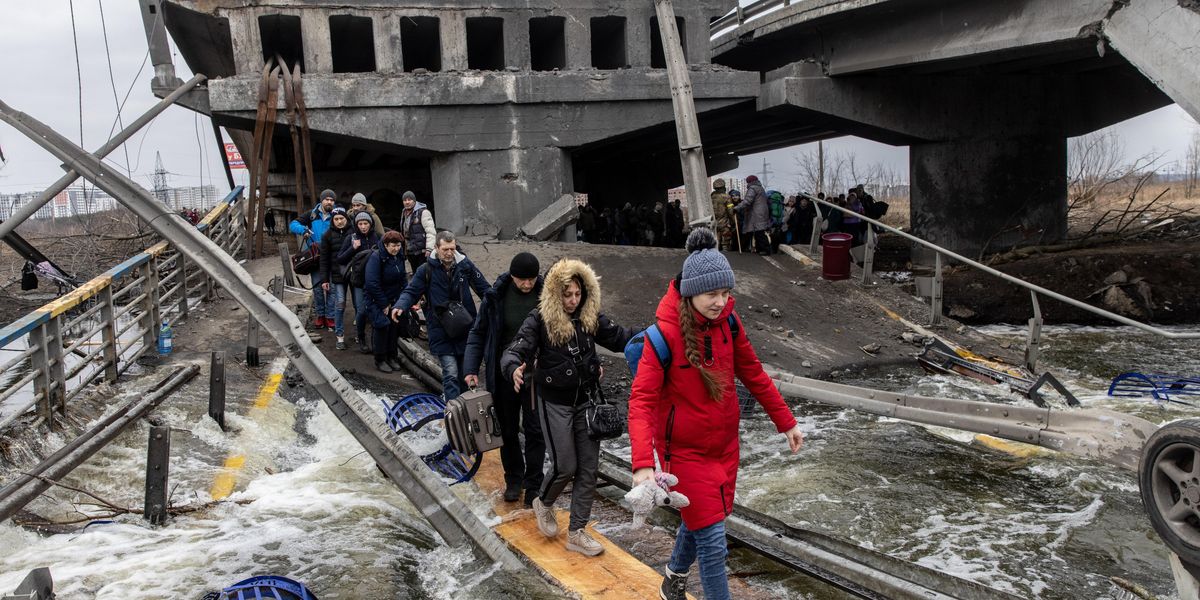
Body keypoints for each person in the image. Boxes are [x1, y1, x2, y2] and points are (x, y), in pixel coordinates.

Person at [627, 228, 804, 600]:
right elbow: (641, 401)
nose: (721, 302)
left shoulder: (730, 324)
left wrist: (785, 421)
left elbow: (753, 373)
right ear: (690, 291)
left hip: (724, 447)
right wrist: (643, 463)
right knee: (713, 541)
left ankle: (674, 574)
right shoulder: (662, 337)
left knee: (707, 519)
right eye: (712, 294)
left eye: (726, 293)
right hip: (684, 456)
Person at [500, 258, 635, 557]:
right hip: (554, 404)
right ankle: (543, 502)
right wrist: (513, 368)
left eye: (577, 294)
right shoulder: (539, 319)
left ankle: (577, 532)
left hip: (586, 403)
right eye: (567, 295)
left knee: (588, 469)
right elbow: (516, 349)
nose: (573, 301)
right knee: (565, 466)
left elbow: (621, 338)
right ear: (554, 294)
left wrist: (657, 336)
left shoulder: (590, 317)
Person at [463, 252, 546, 505]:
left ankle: (534, 484)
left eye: (531, 280)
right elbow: (478, 334)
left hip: (535, 374)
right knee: (507, 429)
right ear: (512, 277)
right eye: (522, 280)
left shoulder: (546, 296)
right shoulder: (495, 298)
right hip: (502, 373)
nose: (527, 285)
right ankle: (513, 479)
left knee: (535, 430)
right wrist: (470, 369)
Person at [391, 231, 490, 399]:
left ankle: (466, 408)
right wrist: (401, 305)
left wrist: (498, 305)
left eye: (452, 249)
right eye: (445, 249)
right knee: (450, 374)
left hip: (465, 327)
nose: (449, 253)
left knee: (465, 374)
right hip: (440, 328)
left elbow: (484, 289)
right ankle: (452, 412)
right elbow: (412, 291)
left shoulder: (465, 266)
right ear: (437, 248)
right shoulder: (426, 270)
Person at [290, 188, 337, 329]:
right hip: (316, 258)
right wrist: (303, 230)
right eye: (327, 199)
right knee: (317, 288)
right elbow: (293, 224)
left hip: (332, 257)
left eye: (331, 200)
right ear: (321, 200)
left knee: (332, 289)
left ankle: (330, 316)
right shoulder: (311, 215)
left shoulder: (337, 215)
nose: (329, 202)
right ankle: (320, 316)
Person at [364, 230, 408, 372]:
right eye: (393, 246)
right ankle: (380, 359)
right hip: (376, 299)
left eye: (398, 245)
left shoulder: (399, 256)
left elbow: (403, 278)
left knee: (394, 328)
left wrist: (405, 297)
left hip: (394, 298)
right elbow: (372, 283)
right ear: (385, 245)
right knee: (382, 327)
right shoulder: (376, 258)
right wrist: (384, 303)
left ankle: (392, 356)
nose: (396, 249)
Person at [338, 211, 382, 353]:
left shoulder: (378, 237)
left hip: (376, 280)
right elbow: (340, 259)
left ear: (371, 224)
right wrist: (353, 248)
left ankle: (377, 341)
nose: (363, 226)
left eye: (366, 223)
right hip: (359, 281)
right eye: (360, 224)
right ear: (356, 225)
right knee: (361, 310)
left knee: (376, 310)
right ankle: (361, 338)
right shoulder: (352, 238)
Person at [319, 207, 353, 348]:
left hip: (354, 274)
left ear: (346, 219)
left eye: (342, 219)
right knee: (340, 303)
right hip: (337, 275)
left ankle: (360, 336)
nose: (339, 221)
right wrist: (325, 279)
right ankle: (339, 336)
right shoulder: (327, 236)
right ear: (333, 221)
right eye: (336, 219)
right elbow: (324, 259)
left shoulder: (354, 232)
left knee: (360, 306)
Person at [399, 190, 437, 274]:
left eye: (409, 200)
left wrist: (429, 248)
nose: (407, 202)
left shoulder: (423, 212)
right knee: (416, 274)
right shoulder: (404, 213)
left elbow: (431, 232)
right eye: (405, 200)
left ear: (414, 200)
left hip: (422, 251)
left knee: (424, 274)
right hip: (410, 251)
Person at [735, 175, 771, 255]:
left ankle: (765, 249)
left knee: (759, 232)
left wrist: (737, 208)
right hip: (763, 212)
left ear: (749, 182)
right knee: (759, 231)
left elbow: (747, 201)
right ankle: (760, 249)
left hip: (756, 213)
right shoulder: (761, 188)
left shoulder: (752, 188)